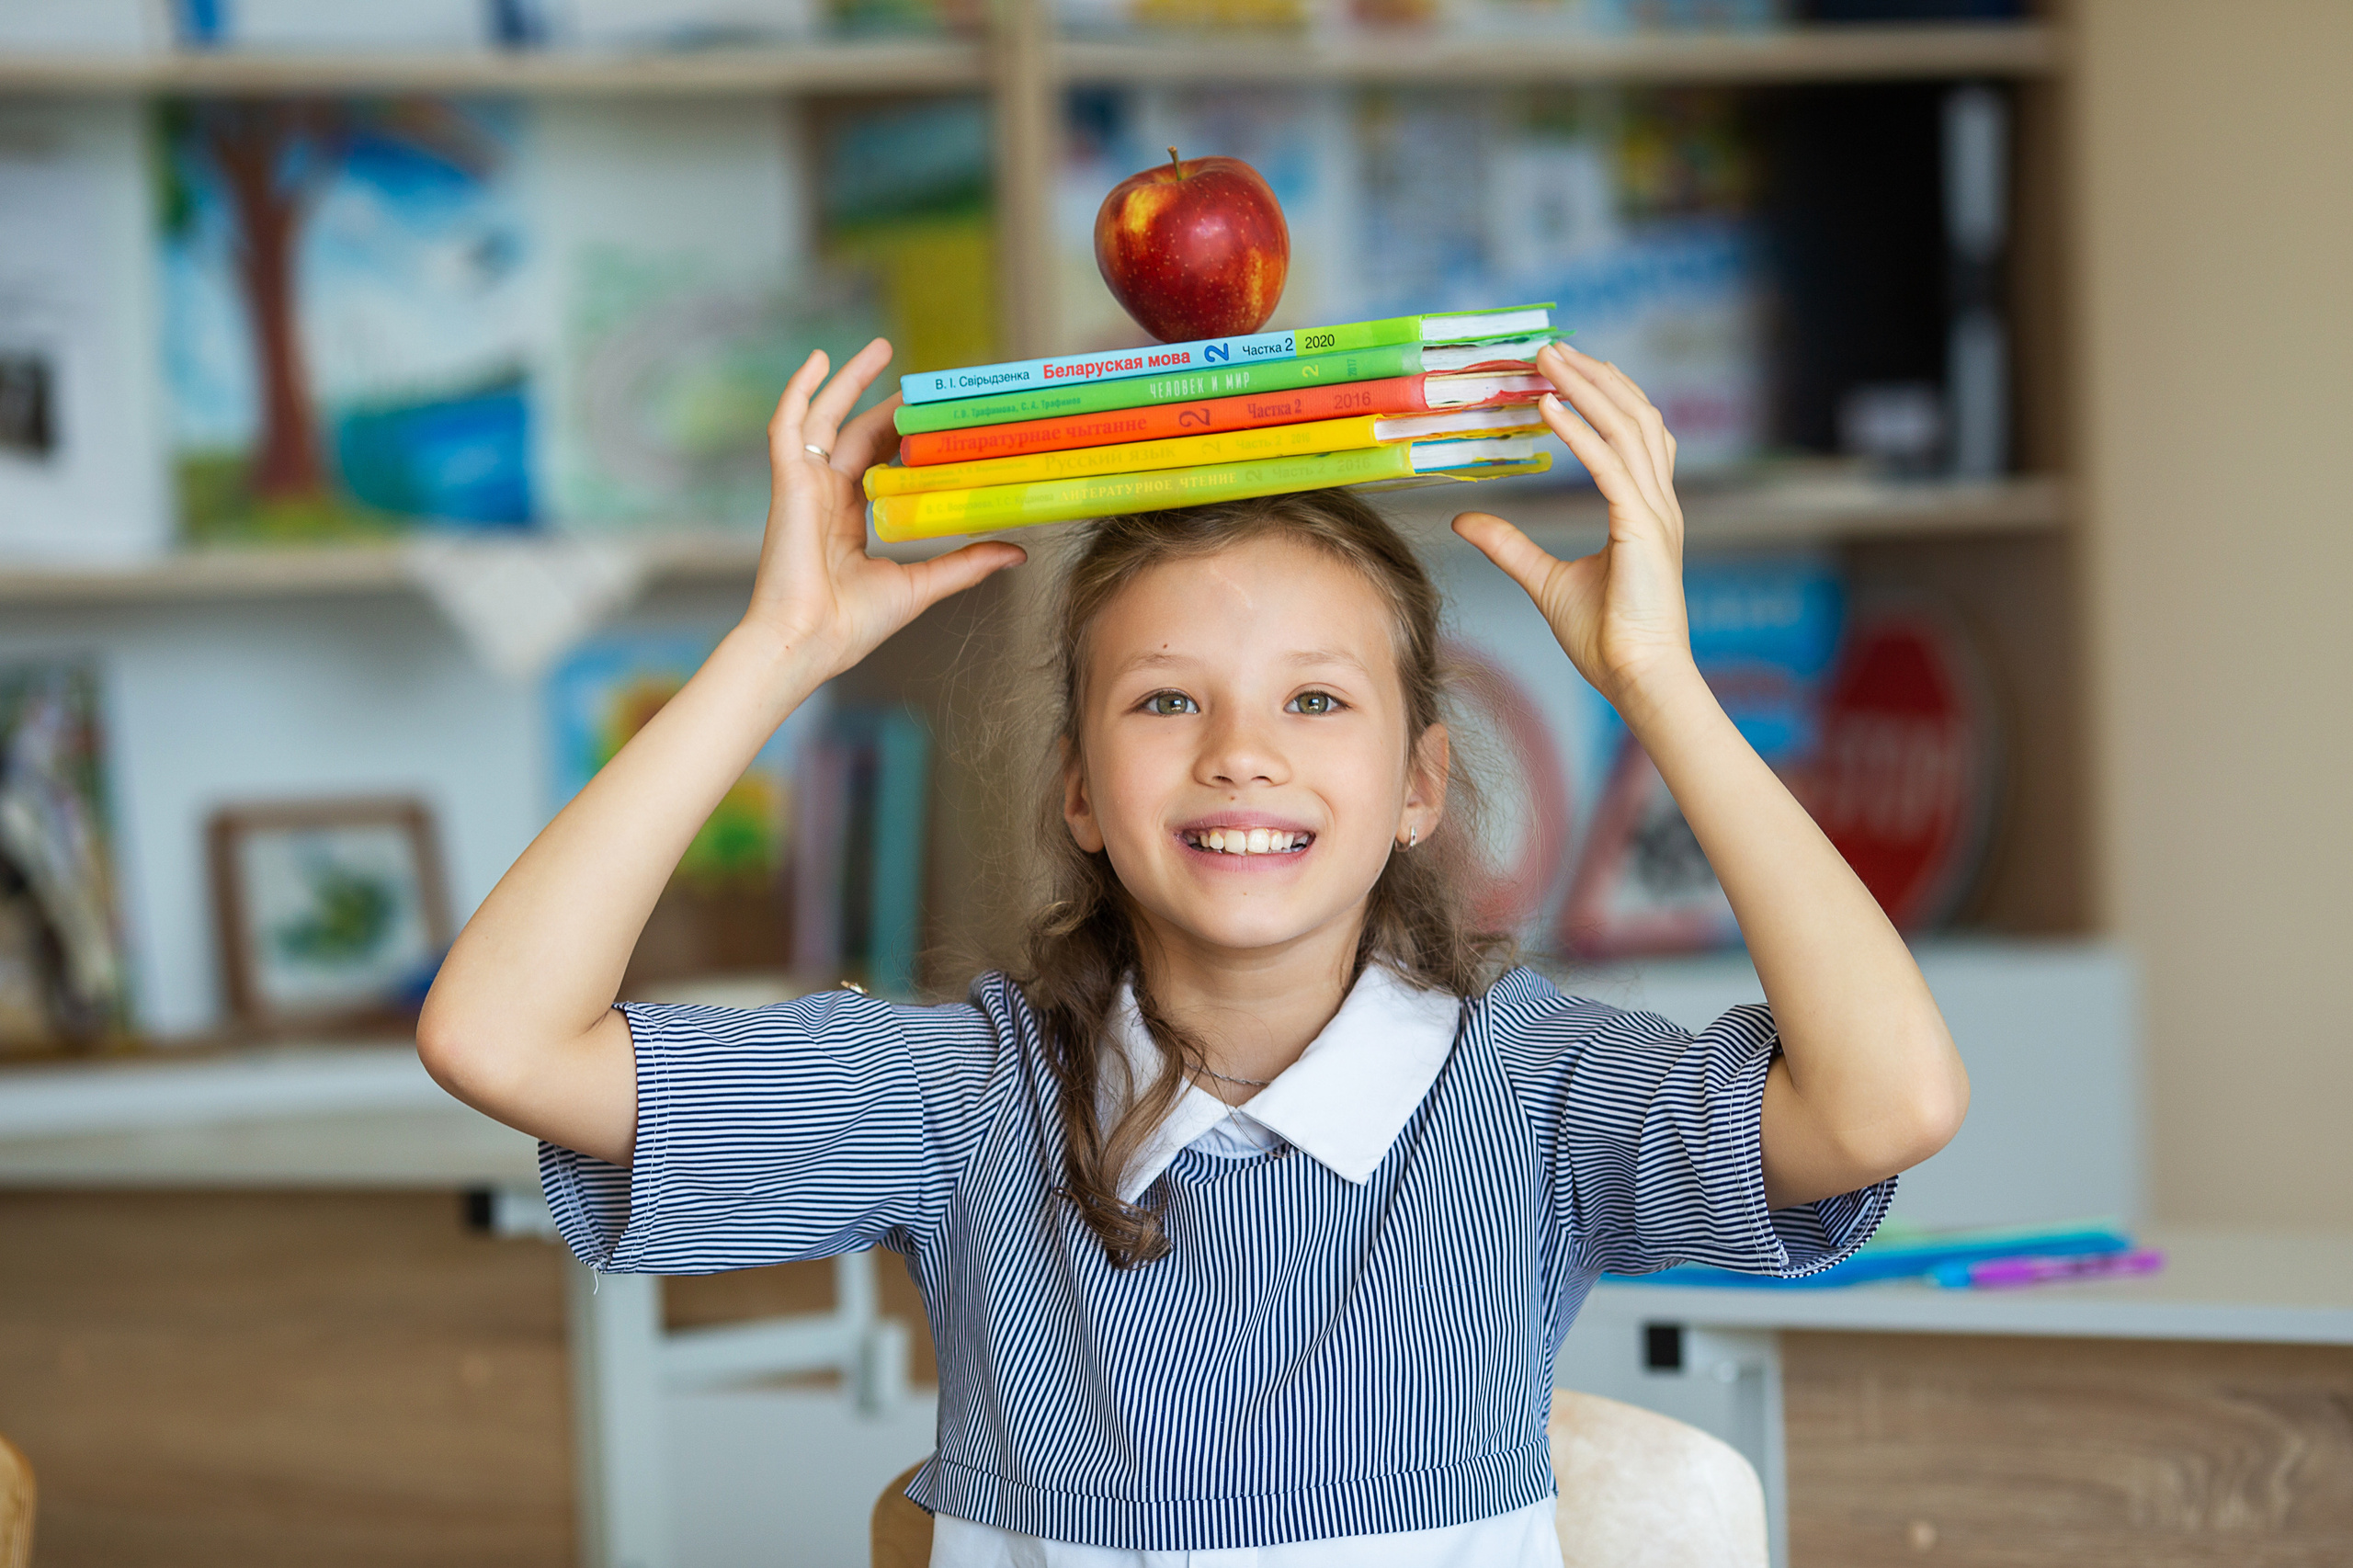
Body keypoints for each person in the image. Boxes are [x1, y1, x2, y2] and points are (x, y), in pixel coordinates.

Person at [418, 335, 1969, 1565]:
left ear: (1420, 782)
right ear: (1081, 792)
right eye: (1168, 700)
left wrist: (1661, 680)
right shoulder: (967, 1094)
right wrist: (775, 655)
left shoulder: (1534, 1091)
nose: (1242, 753)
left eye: (1316, 700)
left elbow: (1885, 1101)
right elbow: (502, 1040)